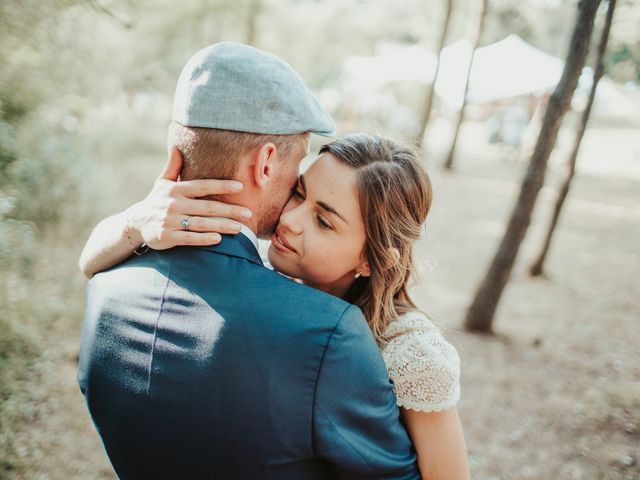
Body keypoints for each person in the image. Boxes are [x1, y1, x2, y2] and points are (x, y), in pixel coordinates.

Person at [77, 42, 421, 479]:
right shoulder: (327, 335)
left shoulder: (105, 289)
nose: (296, 209)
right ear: (265, 163)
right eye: (298, 172)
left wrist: (129, 223)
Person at [82, 136, 471, 477]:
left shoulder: (413, 354)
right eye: (299, 193)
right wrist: (138, 220)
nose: (291, 220)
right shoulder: (263, 281)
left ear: (374, 260)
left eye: (324, 221)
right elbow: (90, 264)